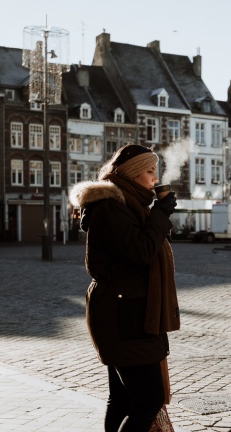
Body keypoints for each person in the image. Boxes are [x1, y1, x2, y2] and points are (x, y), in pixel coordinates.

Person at [69, 144, 180, 431]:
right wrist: (161, 214)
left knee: (122, 397)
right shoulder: (111, 207)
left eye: (156, 171)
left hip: (126, 310)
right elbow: (141, 251)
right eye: (149, 171)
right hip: (125, 315)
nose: (155, 179)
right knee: (148, 400)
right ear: (131, 174)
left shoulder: (130, 205)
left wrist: (157, 215)